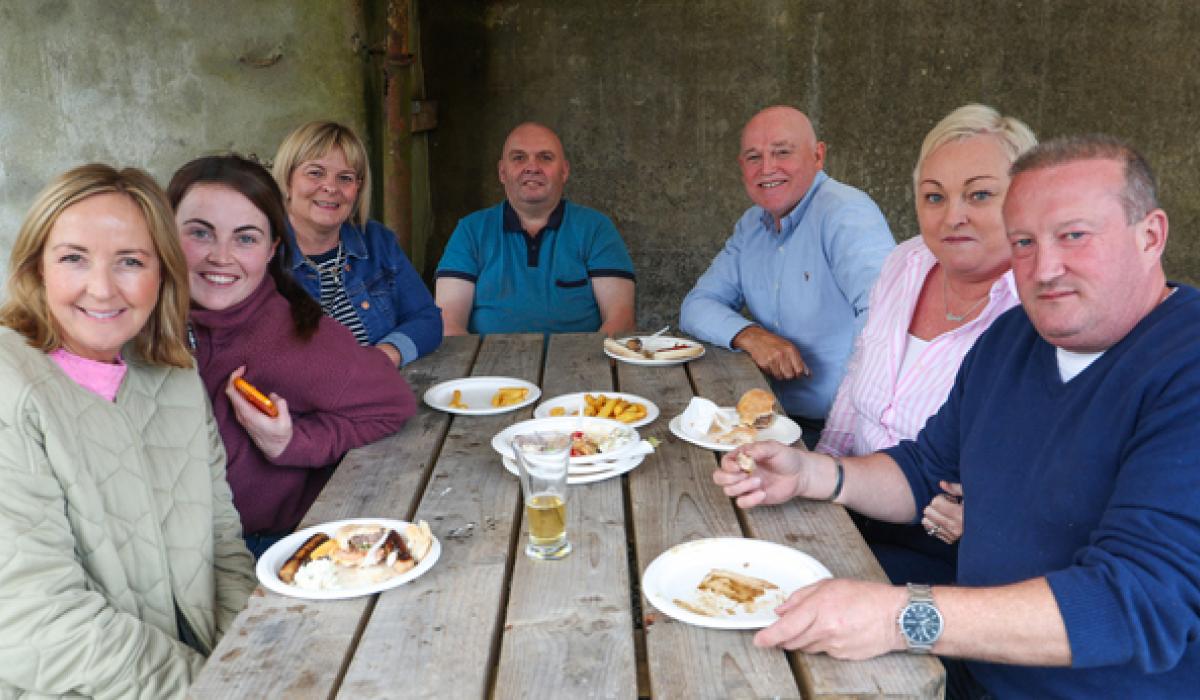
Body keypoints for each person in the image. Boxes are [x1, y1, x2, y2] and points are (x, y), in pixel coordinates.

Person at [714, 135, 1200, 697]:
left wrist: (900, 616)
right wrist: (811, 474)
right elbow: (924, 470)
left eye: (1074, 236)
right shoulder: (1012, 338)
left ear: (1150, 236)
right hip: (963, 668)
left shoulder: (1182, 364)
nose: (1045, 268)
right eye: (1024, 242)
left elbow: (1136, 600)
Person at [0, 164, 256, 695]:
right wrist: (213, 689)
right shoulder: (11, 386)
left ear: (161, 273)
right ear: (37, 268)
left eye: (130, 262)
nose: (101, 288)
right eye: (73, 258)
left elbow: (223, 548)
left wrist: (251, 664)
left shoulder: (176, 379)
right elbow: (34, 619)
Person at [815, 104, 1036, 585]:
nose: (953, 215)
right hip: (854, 497)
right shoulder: (907, 262)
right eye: (934, 197)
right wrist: (823, 465)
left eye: (979, 194)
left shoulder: (1040, 306)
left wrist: (988, 517)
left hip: (946, 546)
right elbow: (859, 371)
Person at [169, 155, 417, 557]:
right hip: (159, 555)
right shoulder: (135, 320)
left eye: (246, 238)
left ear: (272, 250)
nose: (221, 255)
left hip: (259, 549)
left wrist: (292, 442)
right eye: (200, 233)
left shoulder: (297, 335)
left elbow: (393, 404)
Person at [680, 106, 895, 447]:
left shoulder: (845, 212)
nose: (767, 168)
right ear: (741, 168)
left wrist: (837, 442)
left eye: (782, 152)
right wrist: (750, 335)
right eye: (754, 157)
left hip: (845, 436)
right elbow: (696, 306)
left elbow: (885, 316)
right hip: (773, 422)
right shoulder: (752, 225)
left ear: (818, 155)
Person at [435, 122, 636, 336]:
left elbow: (621, 320)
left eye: (545, 157)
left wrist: (588, 365)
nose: (532, 167)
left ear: (564, 171)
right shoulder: (471, 231)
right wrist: (477, 369)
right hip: (489, 366)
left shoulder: (596, 229)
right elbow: (448, 323)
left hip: (578, 364)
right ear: (502, 172)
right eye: (519, 158)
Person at [273, 120, 442, 367]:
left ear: (358, 188)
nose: (331, 187)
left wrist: (382, 357)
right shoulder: (261, 253)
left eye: (345, 177)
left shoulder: (376, 241)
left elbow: (427, 319)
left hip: (378, 389)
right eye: (315, 173)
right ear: (288, 180)